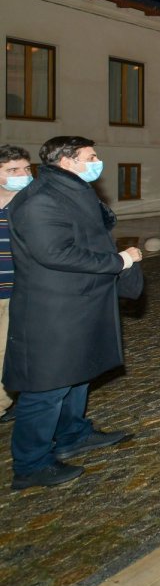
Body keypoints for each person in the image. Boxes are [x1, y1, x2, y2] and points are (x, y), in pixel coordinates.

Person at [5, 136, 140, 489]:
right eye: (91, 157)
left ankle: (73, 434)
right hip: (53, 309)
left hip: (81, 302)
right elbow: (54, 253)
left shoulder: (70, 190)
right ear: (67, 161)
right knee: (46, 387)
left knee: (78, 374)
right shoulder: (40, 200)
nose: (97, 162)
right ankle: (31, 464)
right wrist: (119, 262)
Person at [0, 146, 33, 423]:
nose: (23, 175)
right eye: (13, 170)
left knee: (5, 352)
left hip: (17, 292)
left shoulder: (31, 204)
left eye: (26, 169)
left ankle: (2, 405)